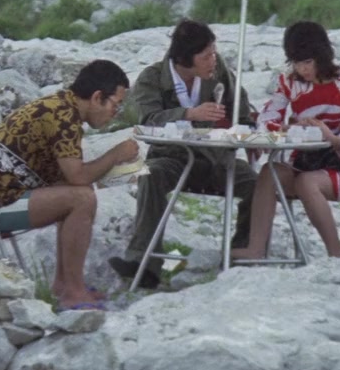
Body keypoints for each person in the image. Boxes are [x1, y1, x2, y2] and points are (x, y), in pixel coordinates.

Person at [0, 59, 138, 311]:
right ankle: (73, 293)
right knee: (82, 199)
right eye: (116, 104)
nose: (116, 112)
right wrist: (116, 154)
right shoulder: (63, 117)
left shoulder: (61, 105)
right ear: (97, 97)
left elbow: (70, 178)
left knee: (81, 193)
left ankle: (63, 285)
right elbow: (77, 176)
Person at [109, 20, 259, 289]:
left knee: (258, 185)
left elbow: (242, 112)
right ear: (185, 59)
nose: (213, 60)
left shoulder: (219, 72)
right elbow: (149, 119)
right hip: (171, 158)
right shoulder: (152, 78)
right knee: (150, 175)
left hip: (215, 160)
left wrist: (245, 131)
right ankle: (144, 263)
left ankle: (241, 255)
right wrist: (188, 113)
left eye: (214, 53)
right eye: (206, 56)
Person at [231, 21, 340, 260]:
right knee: (269, 171)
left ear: (322, 56)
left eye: (307, 62)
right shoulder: (290, 82)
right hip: (304, 163)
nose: (302, 69)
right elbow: (267, 118)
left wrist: (329, 135)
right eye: (296, 62)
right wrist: (288, 128)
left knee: (306, 182)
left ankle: (336, 255)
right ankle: (256, 247)